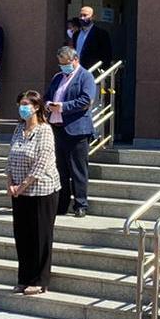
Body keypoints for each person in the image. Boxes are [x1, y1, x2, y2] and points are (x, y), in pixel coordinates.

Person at [7, 91, 61, 295]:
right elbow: (10, 158)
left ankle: (39, 280)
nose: (22, 108)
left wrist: (22, 186)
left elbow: (42, 162)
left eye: (25, 104)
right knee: (23, 235)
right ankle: (24, 278)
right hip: (19, 191)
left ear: (36, 107)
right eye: (20, 104)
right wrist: (10, 183)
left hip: (42, 190)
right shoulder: (19, 129)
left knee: (40, 235)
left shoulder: (45, 130)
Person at [46, 47, 97, 218]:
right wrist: (48, 104)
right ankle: (62, 204)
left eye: (66, 64)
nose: (63, 67)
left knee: (78, 169)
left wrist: (63, 107)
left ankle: (81, 204)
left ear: (75, 60)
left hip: (77, 130)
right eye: (61, 64)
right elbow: (48, 95)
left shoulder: (86, 76)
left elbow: (85, 100)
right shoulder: (58, 77)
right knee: (60, 169)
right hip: (57, 127)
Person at [69, 5, 113, 72]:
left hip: (92, 71)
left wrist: (102, 69)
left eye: (85, 15)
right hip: (76, 70)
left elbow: (107, 54)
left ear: (92, 17)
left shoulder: (101, 34)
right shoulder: (76, 34)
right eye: (80, 15)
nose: (82, 18)